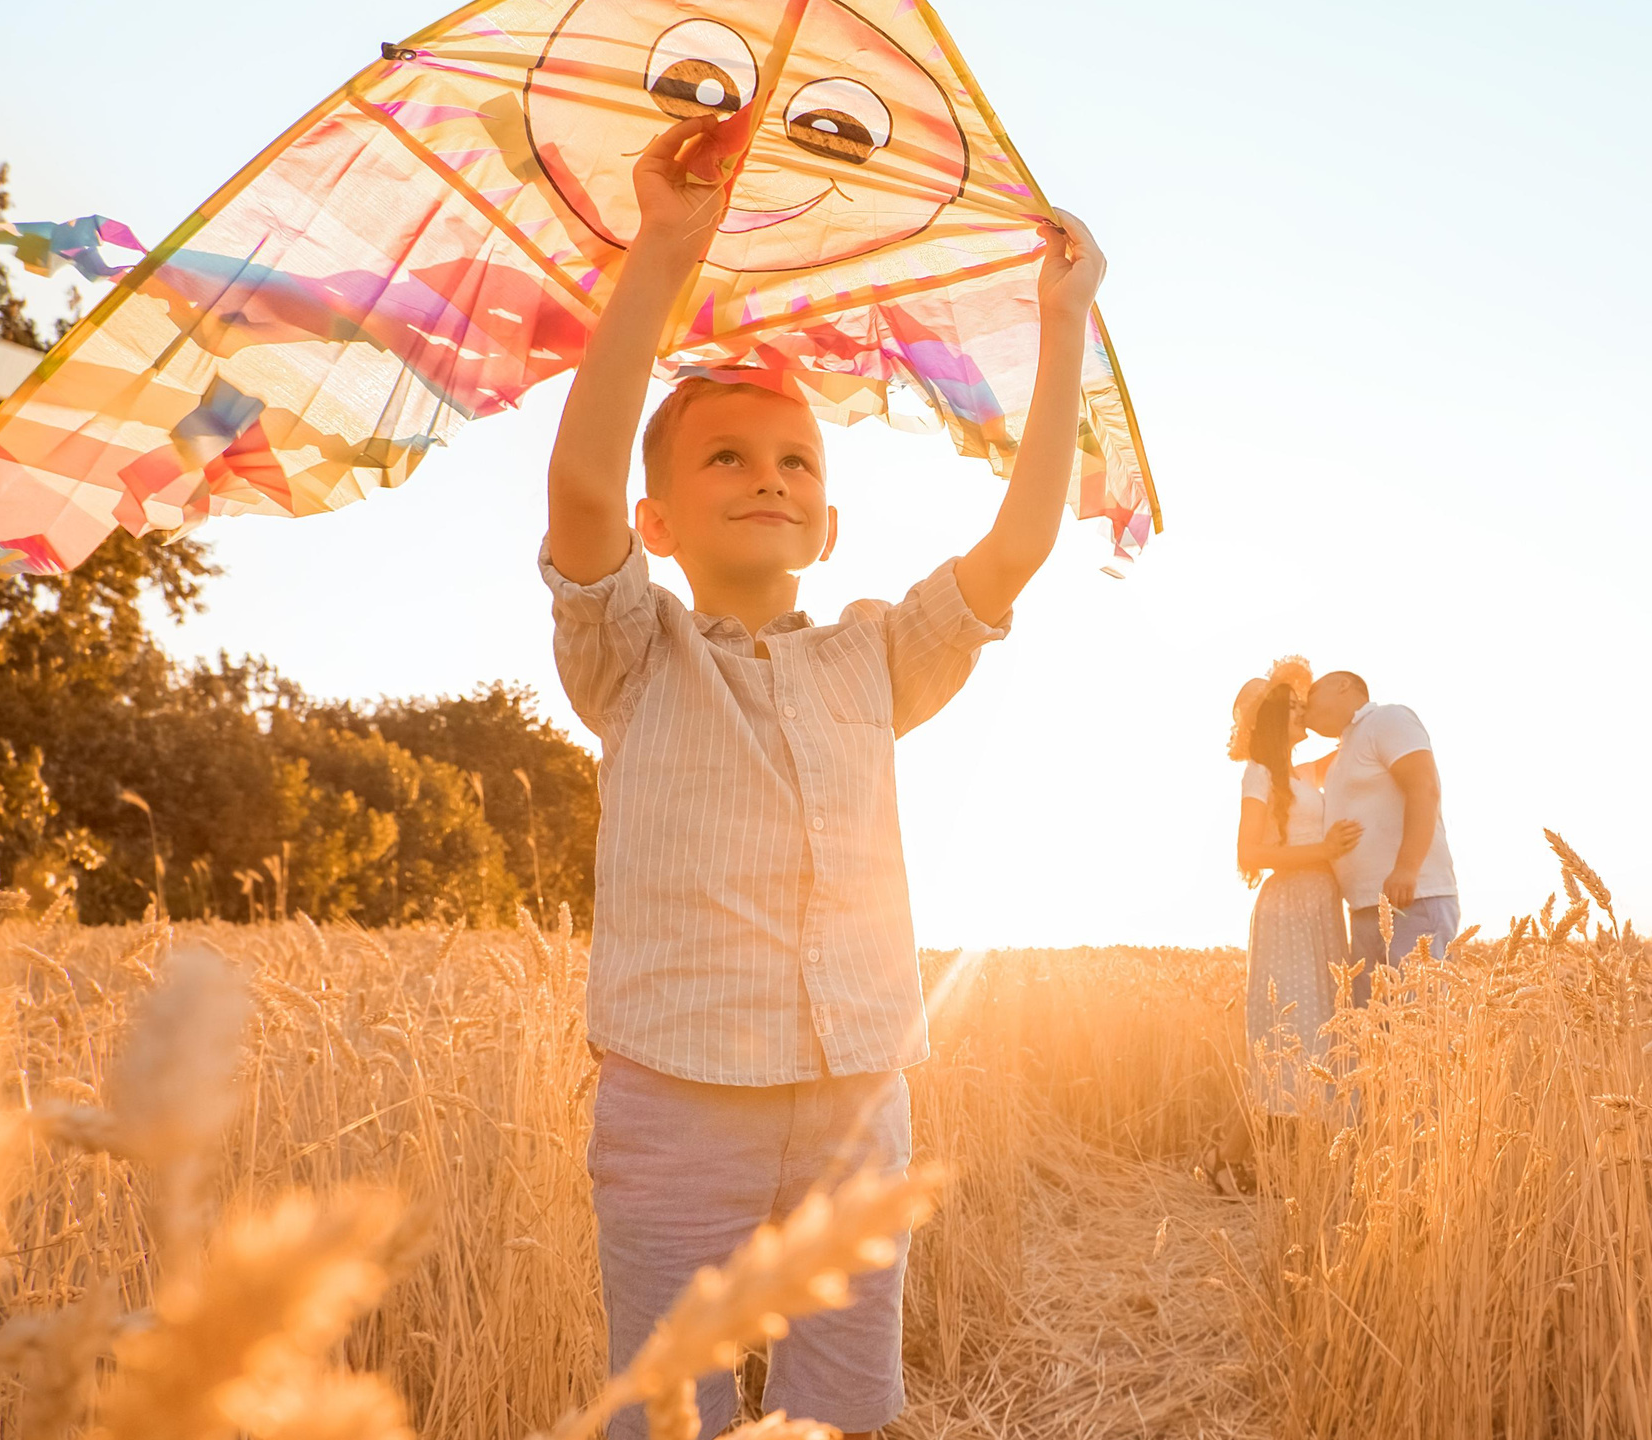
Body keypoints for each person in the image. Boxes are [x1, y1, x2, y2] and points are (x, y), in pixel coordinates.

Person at [541, 113, 1106, 1439]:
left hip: (860, 1100)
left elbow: (1017, 546)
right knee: (664, 1412)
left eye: (796, 461)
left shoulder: (876, 657)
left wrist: (1061, 322)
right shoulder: (630, 653)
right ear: (659, 524)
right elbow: (577, 488)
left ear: (832, 518)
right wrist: (666, 249)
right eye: (725, 458)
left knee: (844, 1414)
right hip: (676, 1103)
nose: (768, 477)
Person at [1229, 658, 1360, 1116]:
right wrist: (1323, 851)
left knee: (1326, 1030)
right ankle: (1230, 1159)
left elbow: (1354, 742)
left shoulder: (1302, 776)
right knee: (1294, 1034)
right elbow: (1249, 854)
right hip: (1287, 908)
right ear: (1269, 721)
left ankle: (1303, 1157)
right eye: (1291, 707)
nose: (1301, 711)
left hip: (1322, 907)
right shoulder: (1259, 776)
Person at [1304, 671, 1460, 1001]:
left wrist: (1407, 868)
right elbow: (1280, 777)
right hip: (1363, 907)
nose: (1304, 706)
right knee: (1376, 1037)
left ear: (1342, 685)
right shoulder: (1345, 749)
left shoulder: (1387, 719)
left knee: (1420, 1027)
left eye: (1311, 695)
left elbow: (1424, 787)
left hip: (1412, 899)